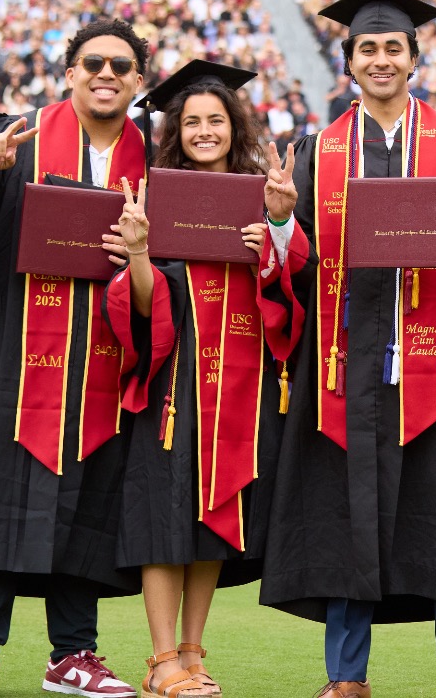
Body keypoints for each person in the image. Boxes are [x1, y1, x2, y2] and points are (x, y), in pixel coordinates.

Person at [0, 19, 173, 698]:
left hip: (106, 364)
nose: (107, 74)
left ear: (138, 82)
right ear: (69, 71)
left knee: (86, 504)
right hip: (11, 357)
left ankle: (73, 656)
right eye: (93, 62)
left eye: (121, 66)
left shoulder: (158, 161)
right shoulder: (15, 134)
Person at [256, 0, 436, 698]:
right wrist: (280, 221)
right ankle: (347, 675)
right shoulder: (316, 151)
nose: (379, 59)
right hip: (345, 362)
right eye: (366, 48)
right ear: (349, 63)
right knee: (348, 511)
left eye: (392, 48)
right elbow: (297, 264)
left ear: (413, 58)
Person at [111, 60, 301, 698]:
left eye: (214, 120)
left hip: (244, 387)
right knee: (167, 518)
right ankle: (162, 659)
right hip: (175, 382)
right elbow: (142, 304)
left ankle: (193, 653)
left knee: (215, 516)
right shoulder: (154, 196)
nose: (203, 130)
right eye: (190, 121)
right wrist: (138, 249)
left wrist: (277, 226)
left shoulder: (261, 192)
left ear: (234, 125)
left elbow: (290, 284)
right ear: (175, 132)